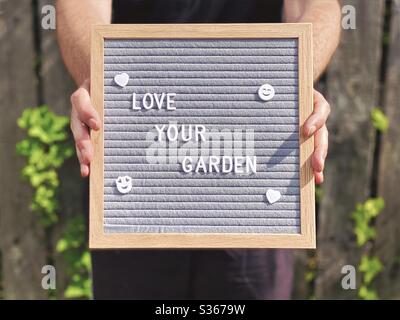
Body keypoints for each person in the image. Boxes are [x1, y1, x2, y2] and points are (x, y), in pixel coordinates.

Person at [56, 0, 341, 299]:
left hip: (254, 183)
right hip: (134, 177)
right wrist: (102, 82)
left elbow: (317, 6)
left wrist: (292, 83)